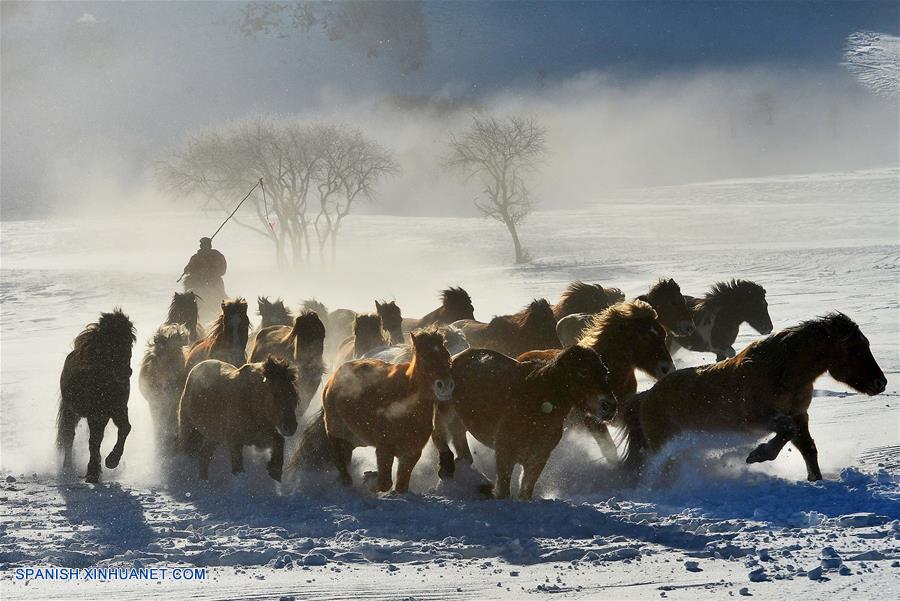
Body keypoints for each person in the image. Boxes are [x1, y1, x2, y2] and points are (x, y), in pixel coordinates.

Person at [181, 238, 227, 319]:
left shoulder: (217, 256)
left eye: (206, 245)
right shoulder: (195, 257)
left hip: (214, 284)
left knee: (222, 299)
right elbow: (188, 269)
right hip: (198, 284)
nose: (205, 247)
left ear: (209, 246)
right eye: (204, 245)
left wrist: (211, 275)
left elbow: (222, 270)